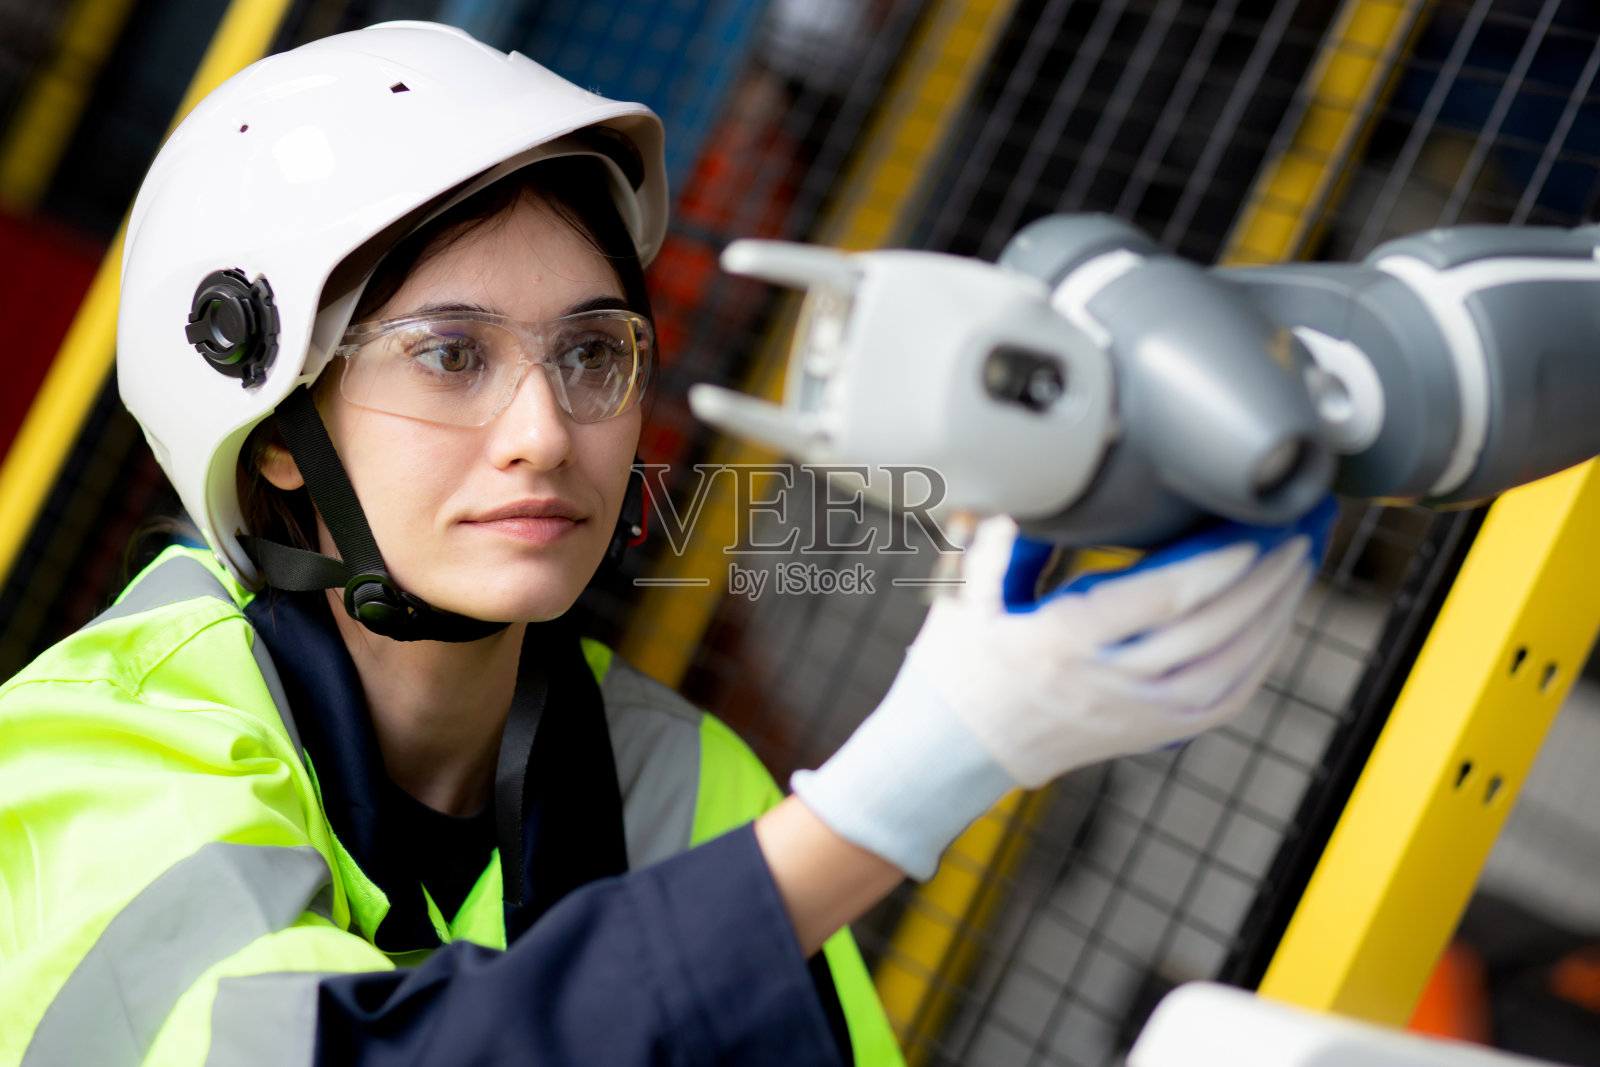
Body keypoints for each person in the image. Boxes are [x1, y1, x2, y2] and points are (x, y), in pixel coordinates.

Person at [0, 21, 1327, 1067]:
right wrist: (894, 797)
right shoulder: (86, 754)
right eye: (449, 356)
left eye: (592, 353)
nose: (543, 434)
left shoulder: (683, 792)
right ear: (278, 428)